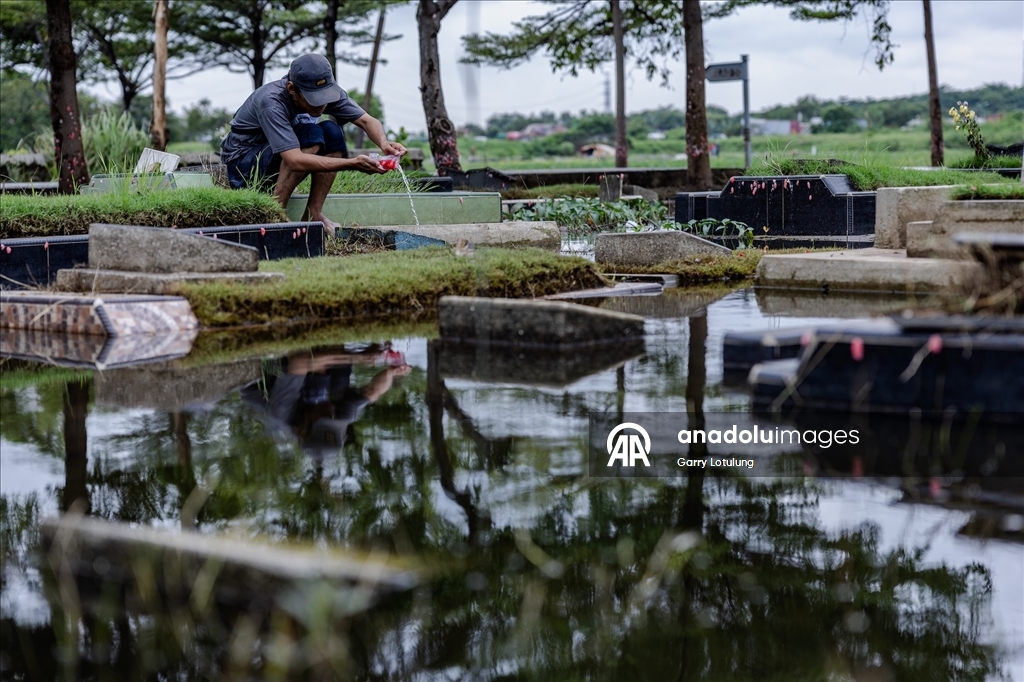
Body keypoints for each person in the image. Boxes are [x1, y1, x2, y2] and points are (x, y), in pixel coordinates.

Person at [220, 53, 407, 230]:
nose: (322, 104)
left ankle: (313, 213)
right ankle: (275, 214)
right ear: (292, 89)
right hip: (244, 167)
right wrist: (351, 164)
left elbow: (367, 120)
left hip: (279, 158)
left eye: (325, 97)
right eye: (314, 99)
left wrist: (383, 143)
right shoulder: (271, 101)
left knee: (332, 131)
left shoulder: (325, 93)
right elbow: (294, 159)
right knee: (312, 133)